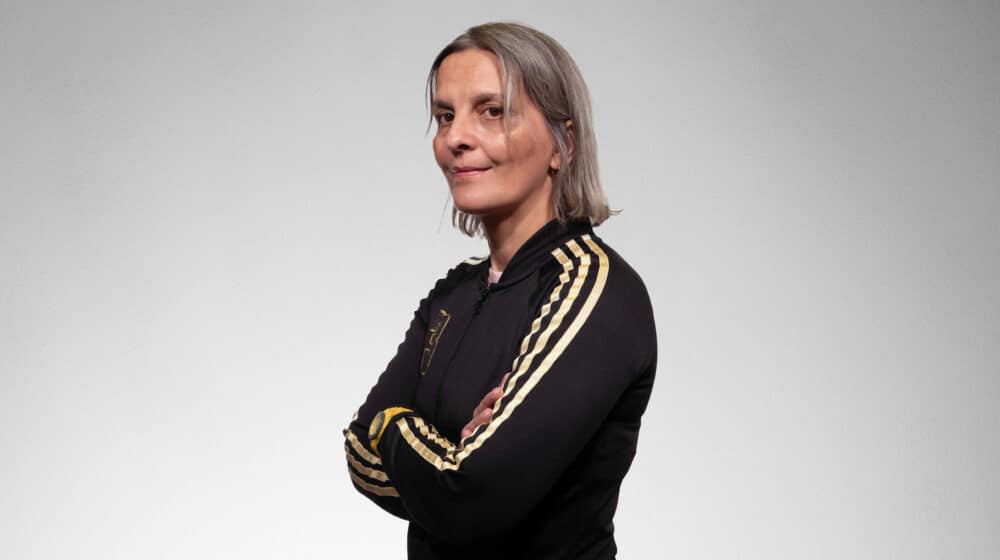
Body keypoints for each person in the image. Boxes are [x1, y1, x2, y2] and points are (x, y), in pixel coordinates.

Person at [342, 21, 658, 560]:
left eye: (492, 111)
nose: (456, 137)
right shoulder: (453, 294)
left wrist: (395, 424)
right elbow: (357, 452)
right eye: (446, 116)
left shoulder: (592, 288)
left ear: (563, 143)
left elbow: (469, 498)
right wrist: (449, 456)